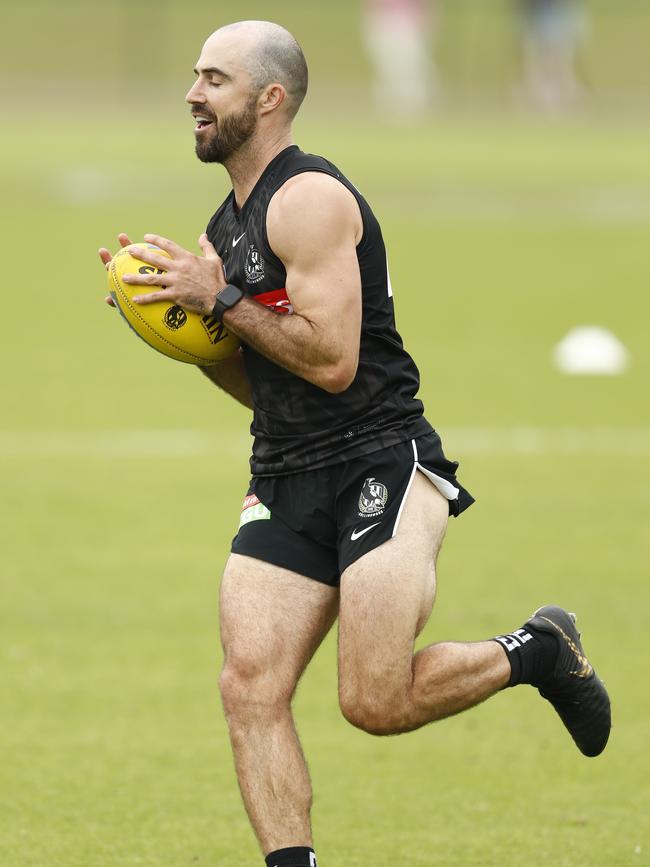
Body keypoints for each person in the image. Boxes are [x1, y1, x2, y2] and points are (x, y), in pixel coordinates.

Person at [98, 20, 610, 867]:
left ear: (269, 100)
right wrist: (179, 331)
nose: (192, 93)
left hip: (379, 459)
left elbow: (333, 364)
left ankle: (538, 650)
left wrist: (221, 301)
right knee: (248, 686)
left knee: (375, 698)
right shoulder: (224, 228)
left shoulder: (311, 200)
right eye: (194, 75)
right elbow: (261, 381)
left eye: (214, 80)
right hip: (285, 471)